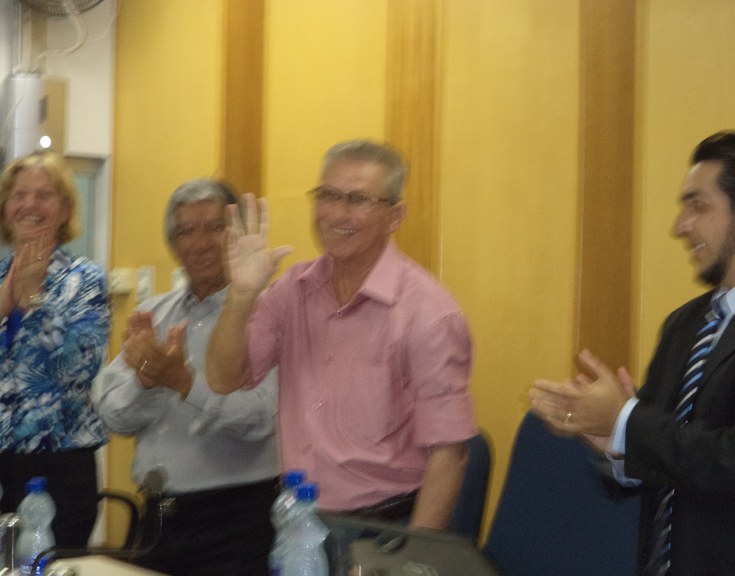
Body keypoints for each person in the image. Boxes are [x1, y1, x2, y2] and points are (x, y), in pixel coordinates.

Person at [529, 131, 735, 575]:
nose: (680, 226)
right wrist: (617, 447)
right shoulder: (685, 324)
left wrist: (626, 421)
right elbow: (668, 455)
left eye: (698, 206)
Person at [207, 140, 476, 530]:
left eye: (359, 199)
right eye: (328, 195)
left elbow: (450, 454)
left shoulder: (429, 315)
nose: (336, 213)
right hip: (299, 521)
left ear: (395, 216)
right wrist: (241, 296)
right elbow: (223, 378)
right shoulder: (293, 289)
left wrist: (411, 557)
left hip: (385, 529)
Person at [98, 179, 280, 576]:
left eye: (215, 227)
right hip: (157, 520)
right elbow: (112, 416)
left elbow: (261, 420)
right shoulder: (154, 314)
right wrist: (146, 383)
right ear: (173, 245)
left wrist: (184, 384)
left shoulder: (268, 314)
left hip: (237, 523)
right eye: (186, 231)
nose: (201, 243)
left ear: (238, 235)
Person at [0, 151, 111, 548]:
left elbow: (79, 367)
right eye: (19, 195)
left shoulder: (85, 280)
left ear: (64, 209)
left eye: (43, 195)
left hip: (59, 464)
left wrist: (34, 302)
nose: (29, 205)